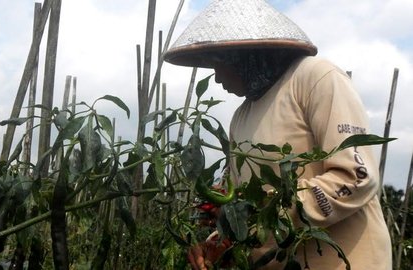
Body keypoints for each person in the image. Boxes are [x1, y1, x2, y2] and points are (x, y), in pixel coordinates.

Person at [163, 0, 392, 269]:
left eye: (217, 65)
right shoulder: (242, 116)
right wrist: (221, 242)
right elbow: (241, 202)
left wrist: (265, 215)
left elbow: (356, 178)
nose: (216, 78)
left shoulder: (315, 78)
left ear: (242, 57)